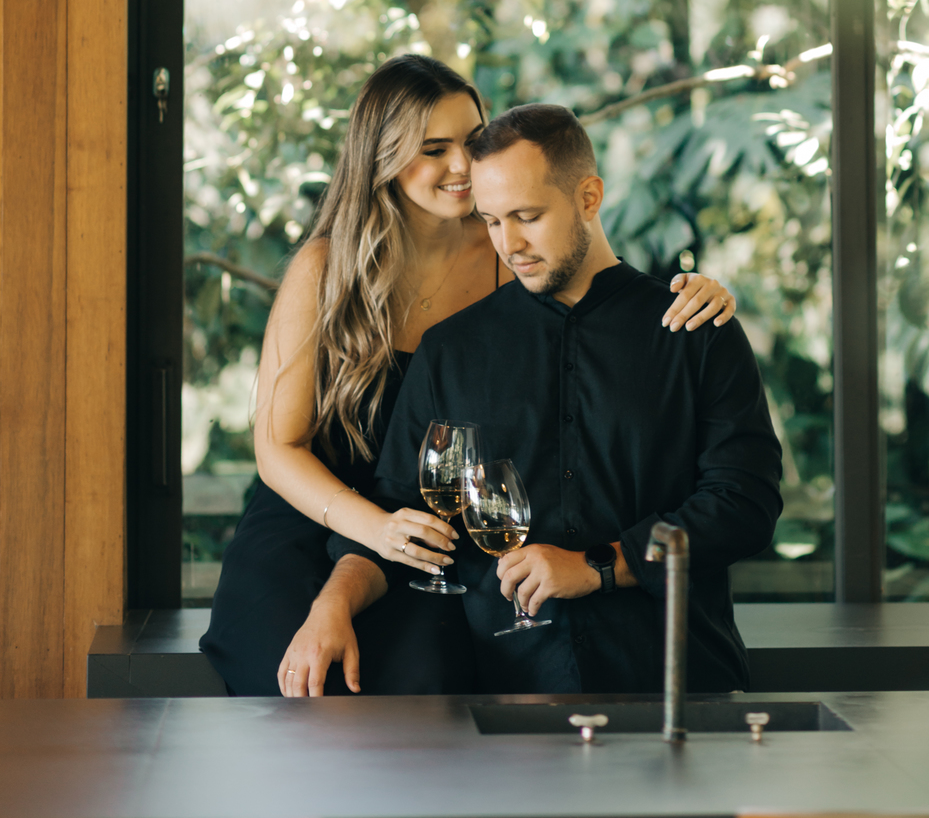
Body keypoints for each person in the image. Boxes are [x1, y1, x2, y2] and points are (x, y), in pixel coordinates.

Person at [199, 56, 737, 696]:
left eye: (471, 140)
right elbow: (276, 450)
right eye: (434, 149)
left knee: (422, 677)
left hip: (437, 529)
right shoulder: (326, 268)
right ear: (382, 158)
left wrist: (696, 293)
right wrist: (378, 530)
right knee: (295, 674)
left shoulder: (507, 251)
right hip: (317, 513)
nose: (462, 165)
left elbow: (592, 277)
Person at [322, 102, 783, 696]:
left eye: (528, 216)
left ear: (589, 197)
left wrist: (599, 565)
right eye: (491, 221)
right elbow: (398, 514)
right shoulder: (450, 351)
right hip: (501, 697)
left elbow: (744, 505)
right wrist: (331, 604)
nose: (509, 243)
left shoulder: (694, 331)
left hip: (678, 682)